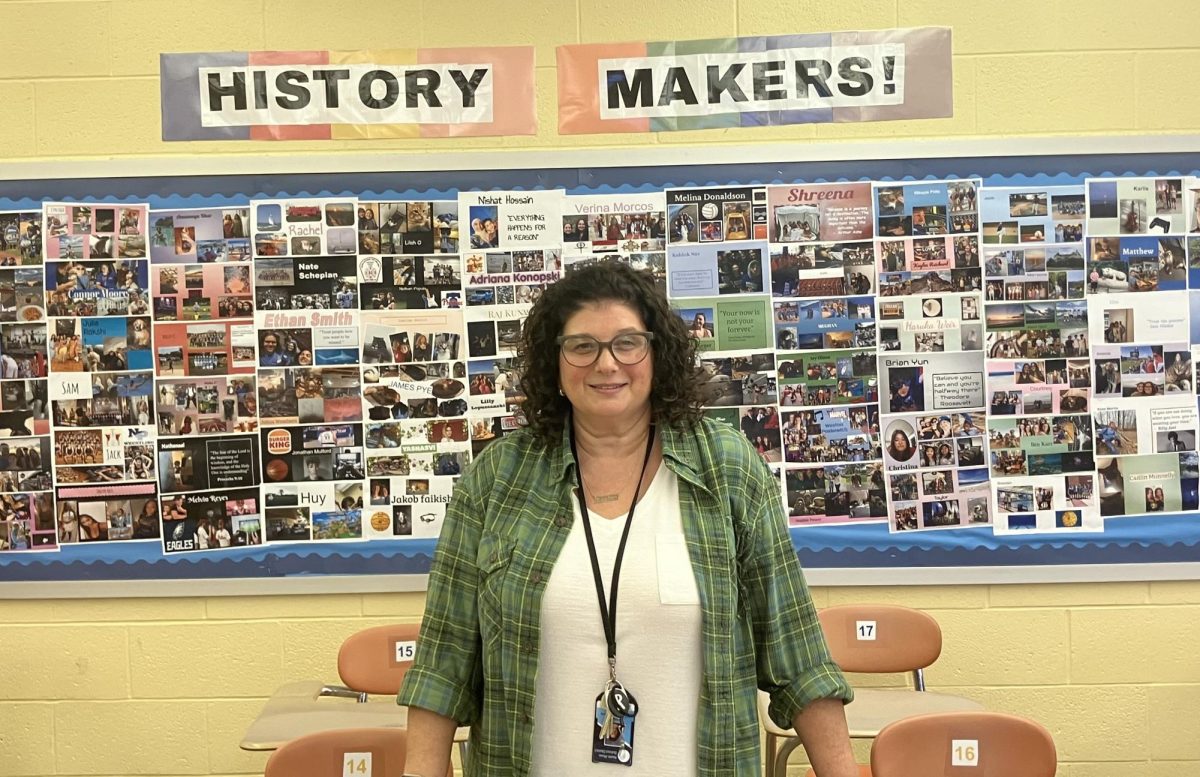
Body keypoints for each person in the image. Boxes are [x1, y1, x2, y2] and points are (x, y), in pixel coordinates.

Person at [398, 262, 855, 776]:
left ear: (657, 352)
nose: (606, 364)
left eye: (627, 343)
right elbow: (442, 666)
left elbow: (798, 656)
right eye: (582, 346)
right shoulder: (499, 475)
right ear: (556, 360)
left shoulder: (726, 467)